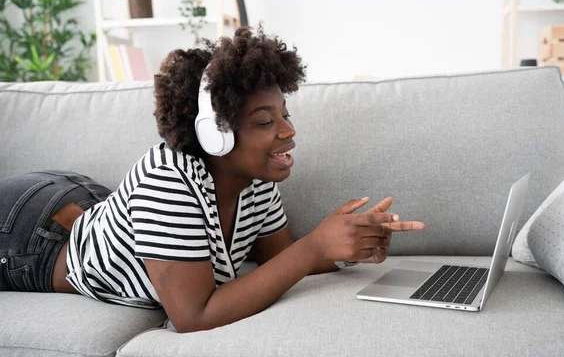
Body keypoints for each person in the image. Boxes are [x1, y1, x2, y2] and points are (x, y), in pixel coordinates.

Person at [0, 26, 425, 333]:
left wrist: (348, 243)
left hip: (84, 199)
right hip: (28, 234)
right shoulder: (168, 183)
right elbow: (193, 316)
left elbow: (283, 260)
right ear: (214, 134)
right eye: (264, 121)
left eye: (285, 114)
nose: (289, 131)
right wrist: (315, 246)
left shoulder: (256, 181)